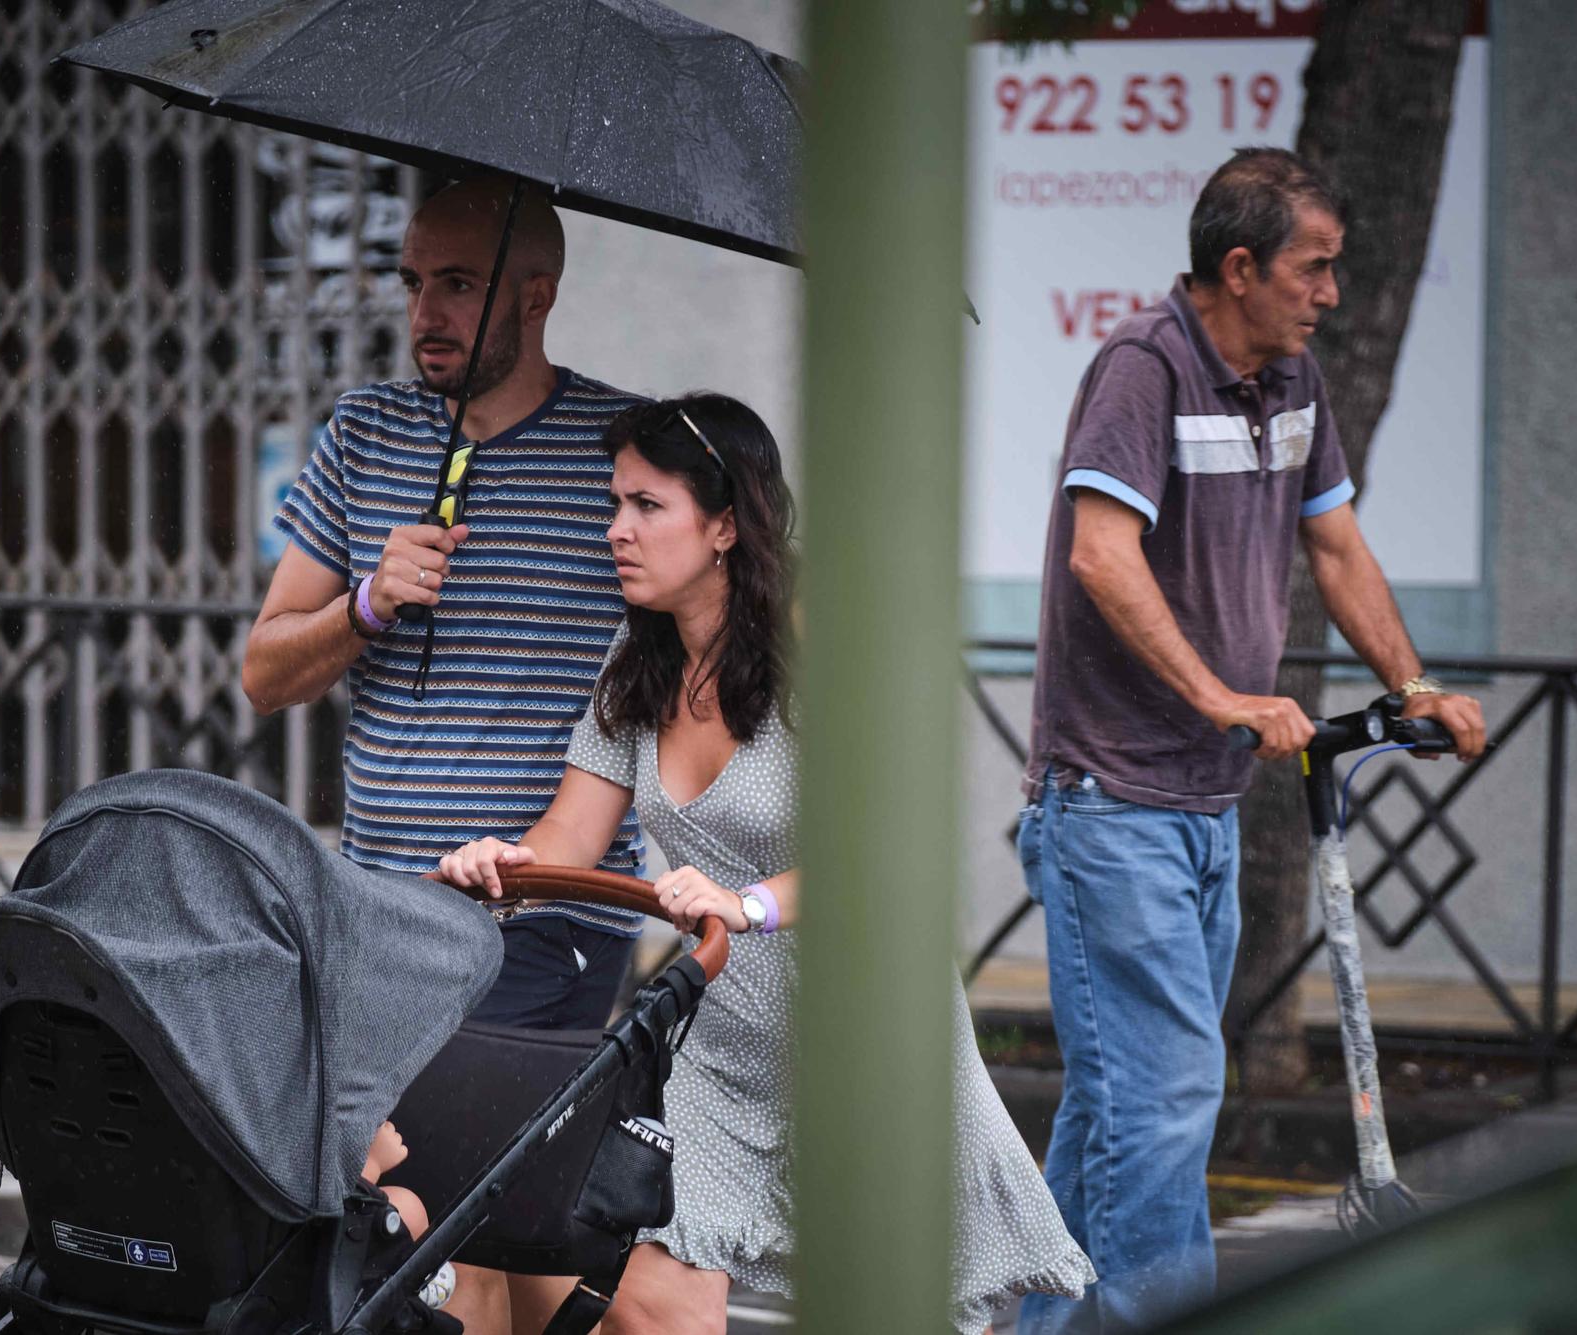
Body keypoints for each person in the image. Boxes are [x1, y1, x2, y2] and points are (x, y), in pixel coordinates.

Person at [440, 393, 1096, 1335]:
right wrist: (501, 865)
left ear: (725, 524)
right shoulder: (638, 665)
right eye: (613, 504)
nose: (617, 531)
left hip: (865, 1042)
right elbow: (567, 841)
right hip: (722, 1038)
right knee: (635, 1281)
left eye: (646, 506)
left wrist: (746, 903)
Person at [1015, 147, 1489, 1335]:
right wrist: (1222, 696)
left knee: (1116, 1107)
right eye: (1312, 269)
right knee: (1165, 1096)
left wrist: (1413, 680)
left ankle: (1031, 1324)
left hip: (1200, 806)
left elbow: (1333, 547)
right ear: (1238, 267)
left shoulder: (1293, 384)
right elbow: (1099, 554)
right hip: (1107, 801)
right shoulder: (1143, 367)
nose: (1330, 293)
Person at [241, 175, 646, 1335]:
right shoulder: (364, 435)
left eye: (458, 286)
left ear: (536, 295)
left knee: (455, 1222)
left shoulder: (619, 455)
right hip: (381, 912)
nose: (425, 311)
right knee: (496, 1246)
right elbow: (265, 671)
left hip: (546, 913)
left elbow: (720, 629)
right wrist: (364, 603)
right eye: (414, 280)